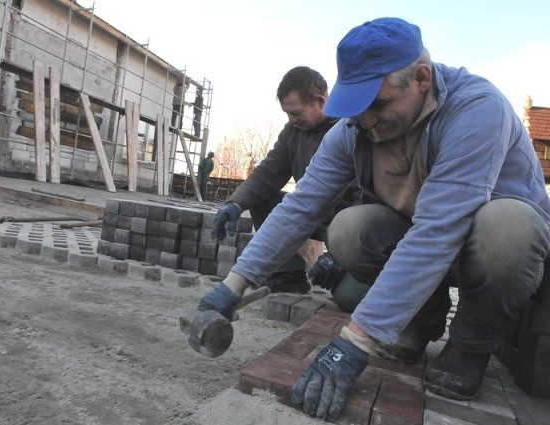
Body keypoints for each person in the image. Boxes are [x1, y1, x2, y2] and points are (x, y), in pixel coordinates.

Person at [196, 17, 550, 423]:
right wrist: (234, 284)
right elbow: (301, 205)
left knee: (507, 229)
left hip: (493, 245)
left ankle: (469, 346)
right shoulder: (354, 128)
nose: (367, 121)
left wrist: (356, 340)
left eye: (378, 105)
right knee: (350, 230)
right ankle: (419, 322)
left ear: (421, 78)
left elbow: (438, 231)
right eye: (359, 108)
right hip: (427, 238)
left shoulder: (476, 110)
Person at [211, 66, 358, 295]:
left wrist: (341, 255)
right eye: (287, 114)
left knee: (349, 296)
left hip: (347, 225)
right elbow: (267, 173)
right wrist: (235, 203)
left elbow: (367, 201)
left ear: (320, 101)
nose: (291, 120)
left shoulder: (351, 129)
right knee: (262, 199)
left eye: (296, 113)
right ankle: (288, 275)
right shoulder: (292, 132)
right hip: (312, 215)